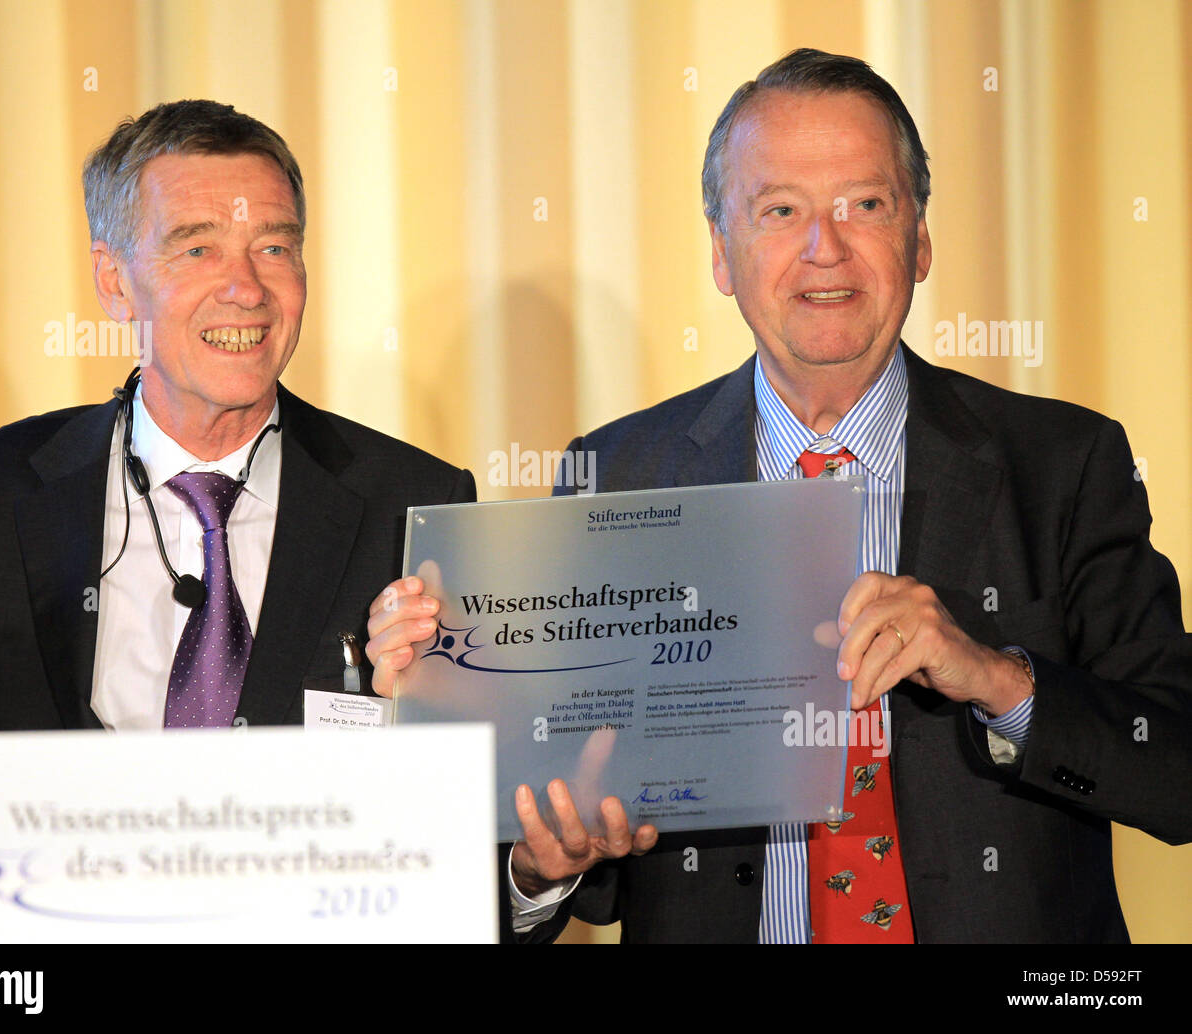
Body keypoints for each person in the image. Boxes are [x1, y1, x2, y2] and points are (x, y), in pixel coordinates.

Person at [366, 49, 1192, 942]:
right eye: (780, 210)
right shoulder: (618, 472)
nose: (824, 247)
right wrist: (538, 867)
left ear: (920, 239)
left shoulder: (1064, 463)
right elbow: (573, 847)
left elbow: (1175, 768)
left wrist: (998, 679)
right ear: (722, 253)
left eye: (864, 205)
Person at [0, 99, 473, 730]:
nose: (247, 289)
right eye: (198, 250)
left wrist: (415, 719)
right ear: (114, 282)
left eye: (275, 248)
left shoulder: (416, 507)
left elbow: (473, 796)